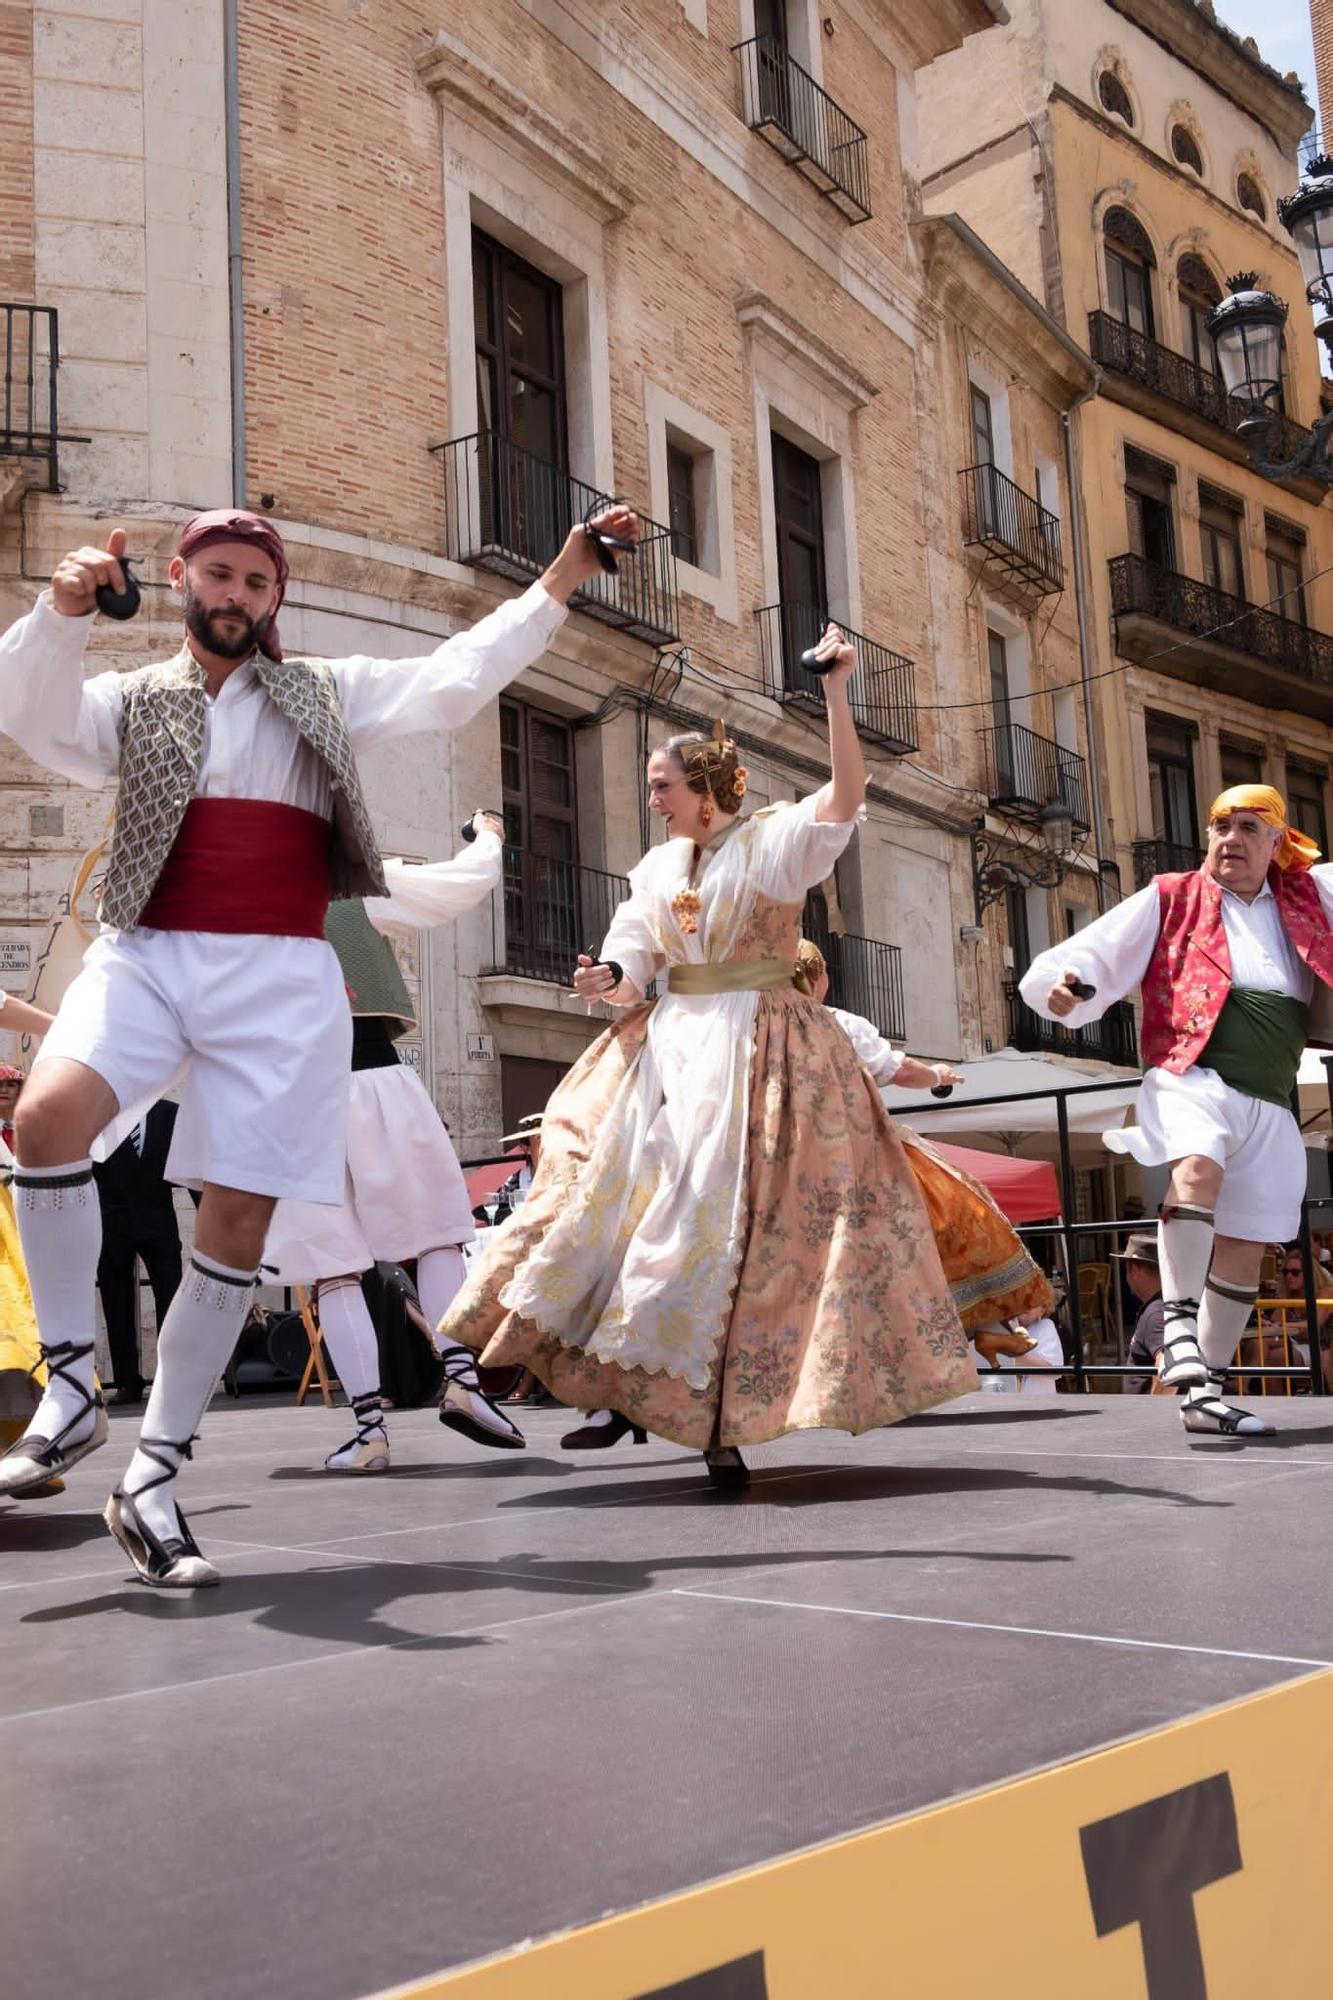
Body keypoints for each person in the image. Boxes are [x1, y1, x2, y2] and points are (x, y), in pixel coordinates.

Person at [0, 501, 635, 1585]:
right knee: (45, 1117)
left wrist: (561, 578)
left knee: (239, 1222)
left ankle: (153, 1474)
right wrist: (58, 614)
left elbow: (454, 676)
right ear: (179, 578)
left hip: (282, 977)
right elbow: (33, 719)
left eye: (256, 579)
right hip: (148, 951)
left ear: (274, 597)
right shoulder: (128, 699)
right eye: (219, 574)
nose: (236, 594)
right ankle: (69, 1383)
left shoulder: (323, 692)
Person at [440, 627, 979, 1489]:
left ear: (704, 789)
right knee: (634, 1212)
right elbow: (634, 958)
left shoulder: (774, 843)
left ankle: (716, 1420)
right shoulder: (656, 866)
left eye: (662, 785)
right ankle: (636, 1395)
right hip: (673, 1047)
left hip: (763, 1047)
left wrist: (838, 691)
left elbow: (844, 793)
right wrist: (607, 976)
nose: (651, 798)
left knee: (751, 1232)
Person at [1019, 785, 1333, 1438]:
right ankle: (1180, 1330)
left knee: (1246, 1245)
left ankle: (1203, 1392)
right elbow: (1093, 957)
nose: (1229, 839)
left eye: (1248, 827)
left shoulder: (1311, 899)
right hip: (1191, 1072)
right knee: (1193, 1171)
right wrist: (1061, 990)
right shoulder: (1173, 895)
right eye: (1220, 825)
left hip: (1270, 1092)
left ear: (1276, 843)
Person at [262, 817, 524, 1470]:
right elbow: (461, 883)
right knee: (436, 1233)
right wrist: (487, 835)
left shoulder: (236, 901)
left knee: (333, 1267)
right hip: (374, 1078)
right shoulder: (359, 884)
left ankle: (368, 1433)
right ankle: (462, 1384)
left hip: (298, 1099)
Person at [91, 1099, 182, 1406]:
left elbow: (191, 1165)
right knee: (116, 1302)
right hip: (110, 1222)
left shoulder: (170, 1113)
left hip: (159, 1221)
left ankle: (174, 1379)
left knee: (172, 1299)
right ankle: (127, 1381)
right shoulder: (95, 1113)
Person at [1116, 1231, 1169, 1394]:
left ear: (1133, 1268)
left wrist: (1152, 1413)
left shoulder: (1156, 1312)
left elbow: (1169, 1363)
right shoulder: (1161, 1306)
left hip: (1150, 1417)